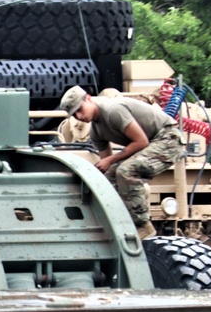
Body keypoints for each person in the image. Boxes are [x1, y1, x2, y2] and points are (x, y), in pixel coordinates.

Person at [60, 85, 183, 240]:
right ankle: (118, 223)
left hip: (168, 139)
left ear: (88, 98)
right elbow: (107, 165)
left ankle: (143, 225)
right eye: (74, 115)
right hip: (153, 144)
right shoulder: (96, 131)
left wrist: (111, 160)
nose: (79, 116)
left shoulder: (113, 111)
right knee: (109, 177)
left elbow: (141, 142)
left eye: (80, 109)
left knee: (126, 171)